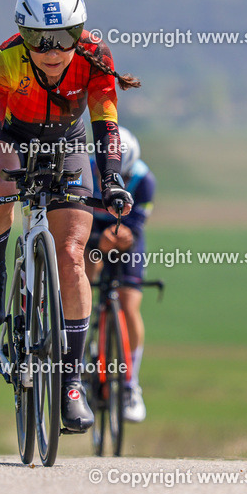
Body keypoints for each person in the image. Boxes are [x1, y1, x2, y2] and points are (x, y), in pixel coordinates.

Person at [0, 0, 140, 433]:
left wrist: (112, 179)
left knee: (72, 255)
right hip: (9, 136)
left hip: (67, 141)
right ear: (23, 34)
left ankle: (70, 383)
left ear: (80, 32)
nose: (53, 51)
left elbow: (106, 125)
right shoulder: (5, 59)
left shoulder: (95, 56)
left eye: (64, 37)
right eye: (40, 39)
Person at [84, 126, 156, 422]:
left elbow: (137, 225)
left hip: (126, 237)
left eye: (123, 177)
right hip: (91, 230)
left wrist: (122, 238)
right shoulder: (85, 170)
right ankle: (79, 348)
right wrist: (96, 244)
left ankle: (130, 385)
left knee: (128, 305)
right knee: (82, 279)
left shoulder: (144, 179)